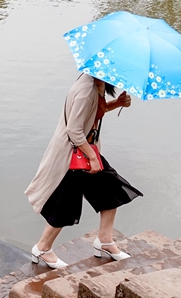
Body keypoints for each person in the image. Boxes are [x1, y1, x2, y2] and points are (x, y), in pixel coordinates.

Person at [25, 73, 139, 268]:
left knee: (111, 190)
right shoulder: (86, 89)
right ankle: (43, 248)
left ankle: (104, 241)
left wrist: (117, 103)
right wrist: (93, 158)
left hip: (86, 150)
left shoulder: (97, 84)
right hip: (73, 156)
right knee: (65, 203)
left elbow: (94, 112)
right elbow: (74, 130)